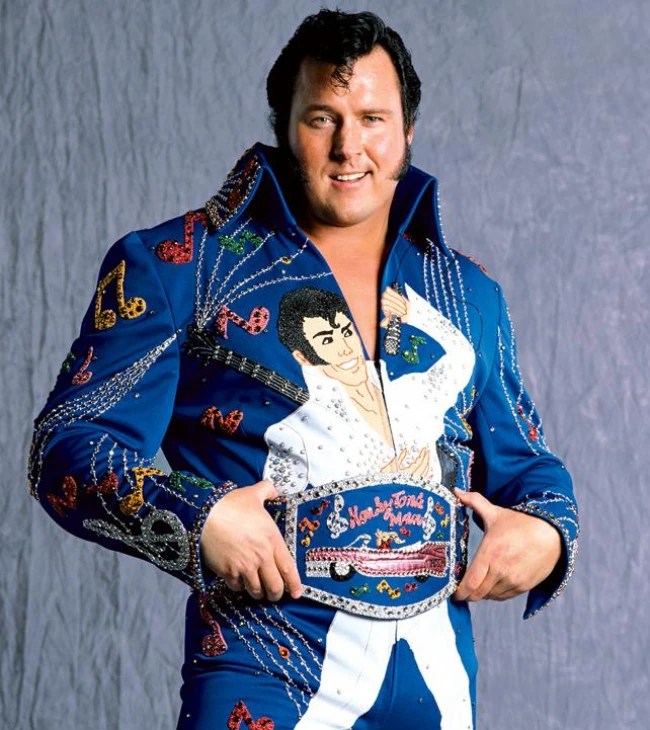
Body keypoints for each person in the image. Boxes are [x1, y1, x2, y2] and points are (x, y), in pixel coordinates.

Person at [29, 9, 578, 730]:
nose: (350, 146)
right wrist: (200, 517)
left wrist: (544, 533)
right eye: (323, 119)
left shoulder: (467, 292)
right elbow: (67, 445)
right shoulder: (182, 266)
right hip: (265, 670)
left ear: (407, 131)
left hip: (437, 681)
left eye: (373, 119)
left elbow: (527, 463)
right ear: (286, 127)